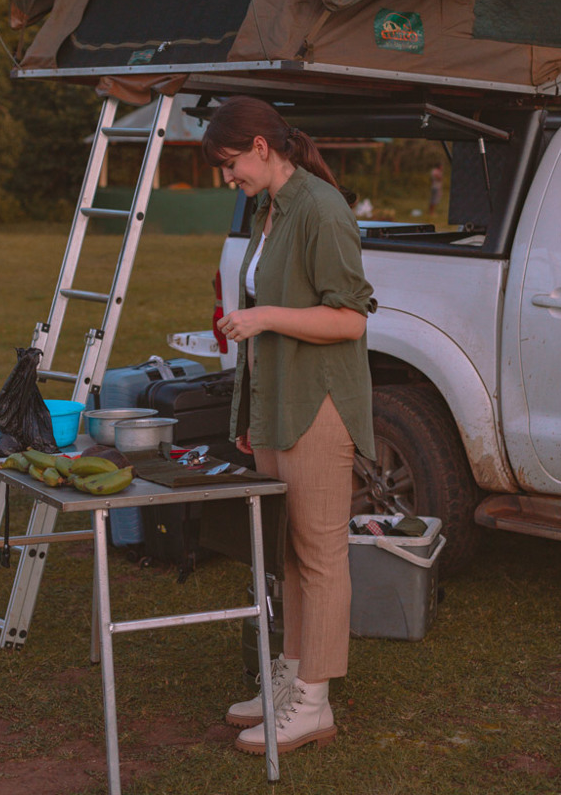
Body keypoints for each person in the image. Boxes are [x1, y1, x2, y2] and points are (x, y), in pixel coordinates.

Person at [201, 95, 376, 755]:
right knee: (287, 552)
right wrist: (248, 415)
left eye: (228, 164)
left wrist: (266, 317)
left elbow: (352, 319)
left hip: (318, 406)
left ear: (260, 148)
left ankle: (316, 702)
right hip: (275, 406)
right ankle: (291, 678)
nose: (227, 178)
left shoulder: (322, 212)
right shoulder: (268, 211)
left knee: (320, 556)